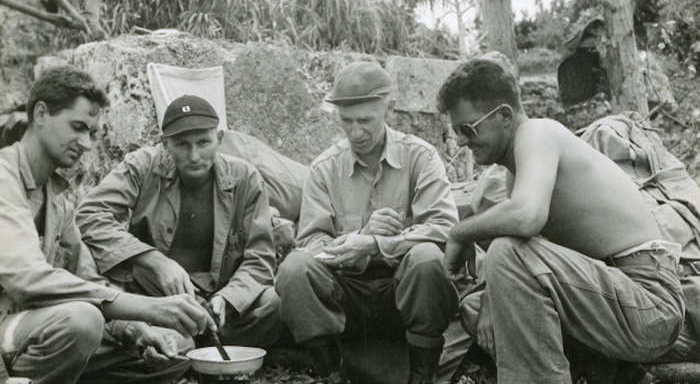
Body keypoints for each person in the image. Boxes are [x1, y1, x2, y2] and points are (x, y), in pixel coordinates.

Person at [436, 58, 684, 384]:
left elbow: (526, 218)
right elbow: (543, 264)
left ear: (505, 116)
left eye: (468, 129)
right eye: (456, 133)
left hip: (650, 302)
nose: (464, 142)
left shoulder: (538, 134)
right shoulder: (518, 173)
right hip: (613, 299)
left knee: (507, 252)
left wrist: (460, 233)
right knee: (486, 291)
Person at [0, 66, 215, 384]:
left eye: (92, 133)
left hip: (32, 328)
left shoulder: (57, 196)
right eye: (77, 127)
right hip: (13, 327)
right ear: (41, 113)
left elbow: (86, 278)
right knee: (82, 321)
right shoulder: (4, 178)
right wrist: (145, 307)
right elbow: (28, 279)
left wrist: (135, 328)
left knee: (174, 343)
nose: (86, 143)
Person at [276, 61, 459, 384]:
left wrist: (377, 244)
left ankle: (422, 374)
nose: (356, 132)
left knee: (428, 258)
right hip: (347, 298)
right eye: (346, 121)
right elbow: (310, 243)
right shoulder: (325, 168)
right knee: (294, 268)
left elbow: (444, 227)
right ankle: (330, 372)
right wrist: (357, 238)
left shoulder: (421, 157)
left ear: (388, 109)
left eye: (365, 120)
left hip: (406, 293)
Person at [76, 94, 281, 349]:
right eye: (182, 144)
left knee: (272, 303)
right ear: (165, 144)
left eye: (203, 142)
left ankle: (199, 342)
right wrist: (154, 261)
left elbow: (260, 258)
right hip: (156, 297)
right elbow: (89, 215)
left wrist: (228, 299)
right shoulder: (141, 166)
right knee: (165, 336)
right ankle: (183, 344)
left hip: (221, 293)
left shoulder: (245, 178)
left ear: (218, 140)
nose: (194, 156)